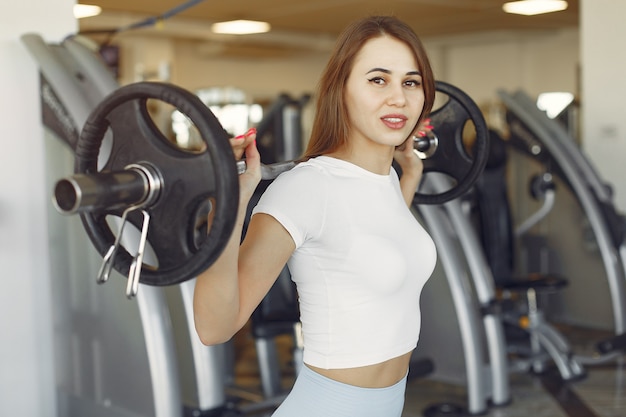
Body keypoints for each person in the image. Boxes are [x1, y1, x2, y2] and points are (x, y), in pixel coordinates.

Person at [193, 15, 438, 417]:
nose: (399, 98)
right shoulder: (306, 188)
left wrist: (409, 174)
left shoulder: (389, 180)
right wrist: (227, 208)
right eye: (378, 80)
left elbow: (372, 241)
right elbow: (214, 328)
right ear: (341, 90)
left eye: (410, 82)